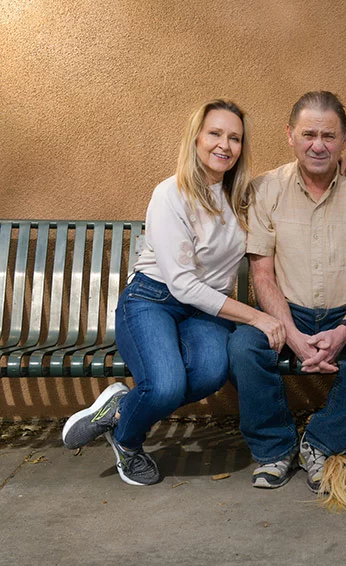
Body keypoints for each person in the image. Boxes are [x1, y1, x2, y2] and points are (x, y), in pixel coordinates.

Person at [62, 99, 286, 486]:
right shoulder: (170, 194)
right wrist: (258, 316)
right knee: (165, 386)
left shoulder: (241, 194)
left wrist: (342, 166)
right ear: (196, 138)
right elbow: (182, 284)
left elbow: (293, 171)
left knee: (212, 372)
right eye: (215, 133)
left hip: (205, 311)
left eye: (235, 138)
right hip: (154, 299)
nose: (225, 145)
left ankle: (121, 408)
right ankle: (129, 443)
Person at [227, 91, 346, 493]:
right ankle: (274, 450)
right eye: (308, 134)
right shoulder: (265, 189)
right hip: (287, 312)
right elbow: (262, 275)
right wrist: (290, 335)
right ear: (290, 135)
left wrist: (345, 330)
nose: (317, 145)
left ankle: (320, 443)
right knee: (242, 347)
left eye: (328, 135)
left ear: (344, 139)